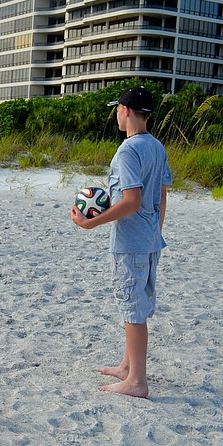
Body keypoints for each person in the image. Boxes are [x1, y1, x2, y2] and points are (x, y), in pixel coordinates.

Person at [70, 86, 172, 398]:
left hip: (132, 242)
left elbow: (131, 200)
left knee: (132, 310)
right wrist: (154, 231)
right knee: (137, 305)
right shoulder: (156, 146)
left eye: (117, 108)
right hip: (151, 239)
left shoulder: (128, 150)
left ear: (126, 111)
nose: (116, 113)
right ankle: (127, 367)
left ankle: (136, 382)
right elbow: (162, 195)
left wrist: (89, 223)